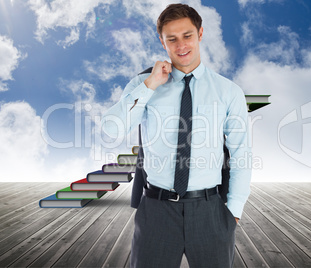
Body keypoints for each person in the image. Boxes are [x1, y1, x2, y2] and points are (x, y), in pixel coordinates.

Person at [101, 3, 251, 267]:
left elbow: (241, 153)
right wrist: (150, 86)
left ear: (200, 34)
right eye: (172, 39)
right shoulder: (143, 84)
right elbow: (110, 130)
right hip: (156, 211)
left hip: (210, 211)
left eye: (187, 36)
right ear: (162, 42)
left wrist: (234, 211)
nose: (181, 45)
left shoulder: (228, 91)